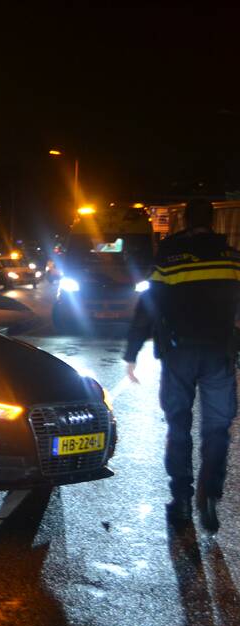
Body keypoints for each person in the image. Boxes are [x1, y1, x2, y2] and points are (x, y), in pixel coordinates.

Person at [124, 199, 240, 532]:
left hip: (178, 355)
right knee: (217, 429)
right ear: (213, 221)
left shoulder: (170, 260)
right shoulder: (232, 259)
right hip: (219, 354)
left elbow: (147, 306)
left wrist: (132, 352)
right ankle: (211, 495)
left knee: (179, 427)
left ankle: (182, 500)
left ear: (185, 222)